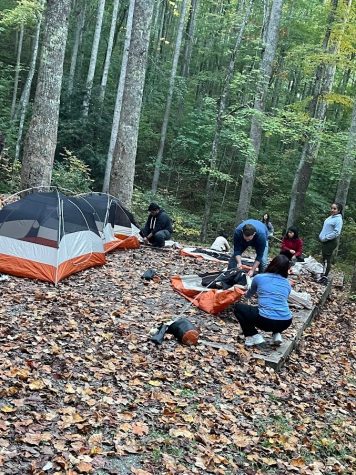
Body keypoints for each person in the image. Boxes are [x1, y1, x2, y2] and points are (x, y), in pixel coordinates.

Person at [233, 254, 292, 347]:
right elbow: (281, 299)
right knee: (276, 308)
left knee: (238, 308)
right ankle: (277, 334)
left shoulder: (259, 277)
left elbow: (249, 294)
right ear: (286, 269)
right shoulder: (287, 283)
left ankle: (253, 335)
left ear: (271, 264)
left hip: (265, 321)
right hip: (286, 321)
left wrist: (245, 293)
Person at [318, 202, 343, 281]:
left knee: (327, 259)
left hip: (330, 242)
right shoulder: (331, 217)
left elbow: (336, 232)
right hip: (325, 241)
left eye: (334, 209)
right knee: (323, 258)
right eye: (332, 208)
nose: (332, 210)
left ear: (339, 210)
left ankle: (325, 276)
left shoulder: (338, 219)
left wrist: (325, 238)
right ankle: (321, 274)